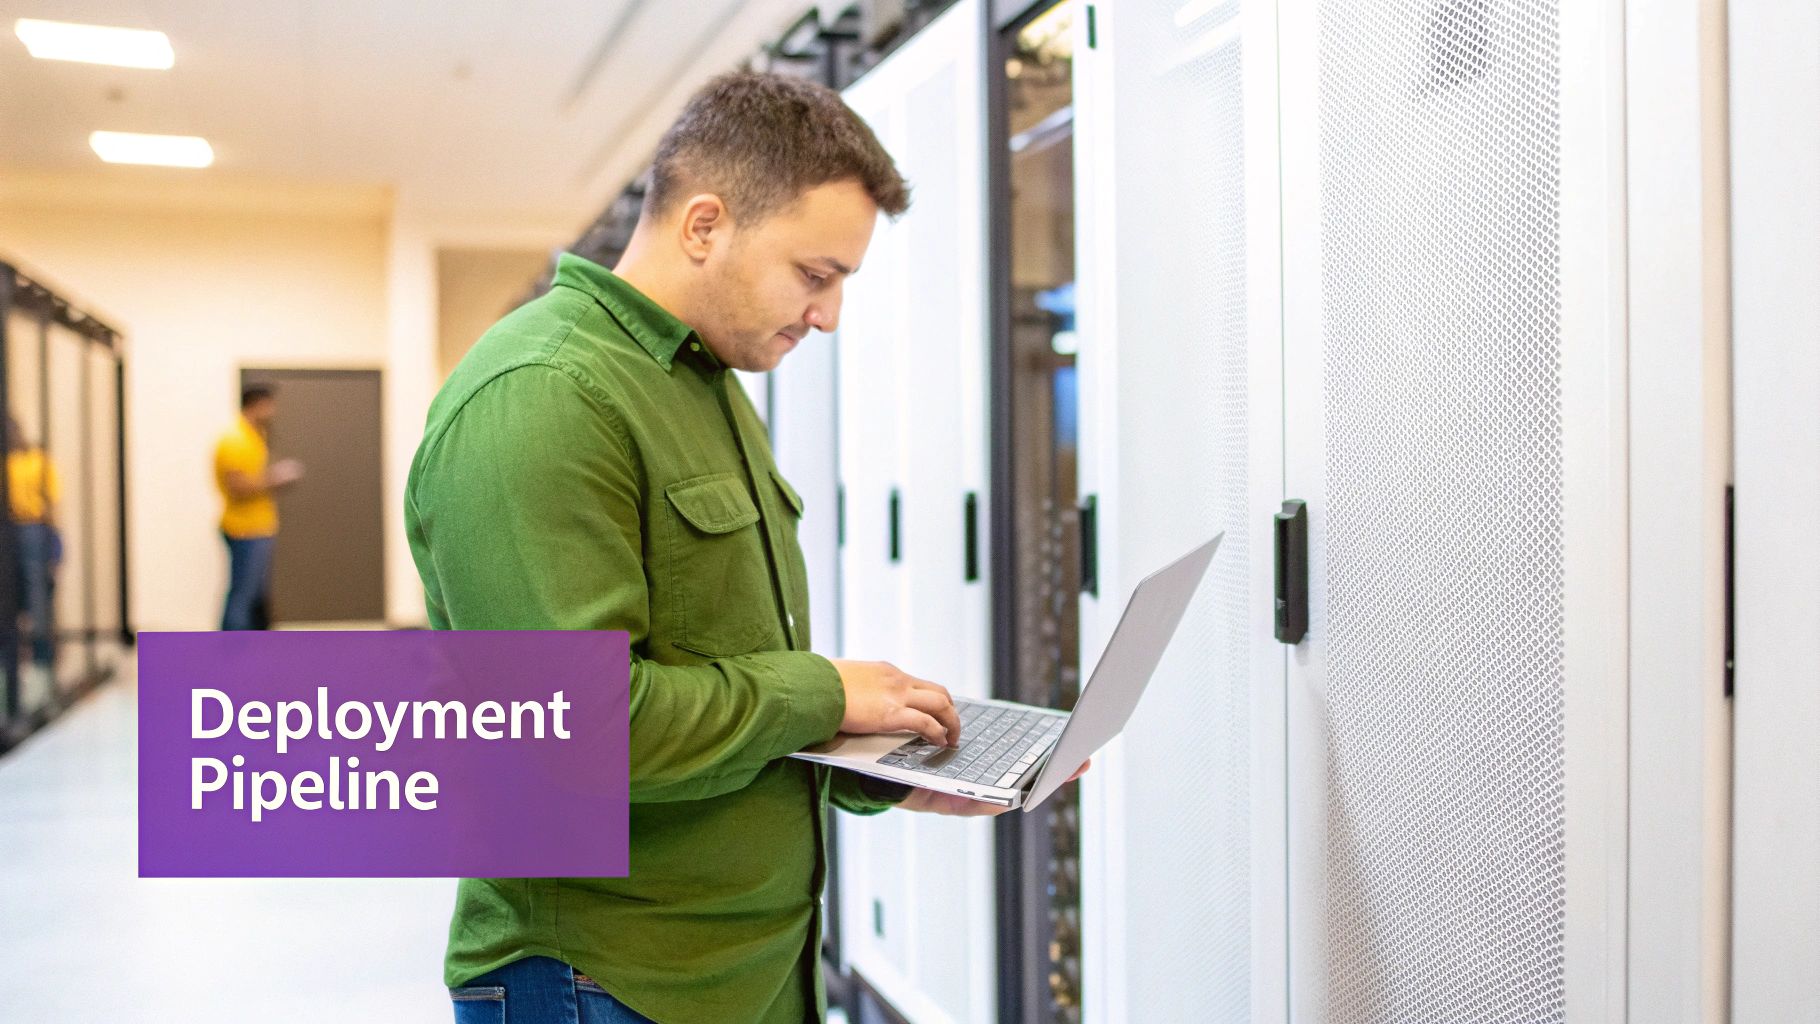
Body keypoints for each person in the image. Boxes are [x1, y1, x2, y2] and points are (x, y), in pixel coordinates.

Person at [409, 72, 1086, 1024]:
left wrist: (877, 768)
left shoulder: (704, 381)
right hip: (604, 978)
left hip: (747, 967)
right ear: (704, 224)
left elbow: (713, 675)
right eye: (816, 274)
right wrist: (824, 692)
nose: (829, 315)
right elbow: (571, 737)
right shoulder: (543, 397)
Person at [214, 386, 302, 631]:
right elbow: (238, 487)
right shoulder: (236, 440)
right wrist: (276, 478)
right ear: (256, 404)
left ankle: (252, 652)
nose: (273, 411)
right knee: (243, 596)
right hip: (245, 528)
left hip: (258, 526)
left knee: (255, 598)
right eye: (269, 405)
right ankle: (231, 654)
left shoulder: (253, 437)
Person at [7, 416, 61, 675]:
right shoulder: (13, 462)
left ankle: (42, 661)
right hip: (13, 530)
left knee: (36, 595)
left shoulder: (35, 460)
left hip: (31, 528)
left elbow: (53, 502)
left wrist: (53, 541)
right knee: (16, 596)